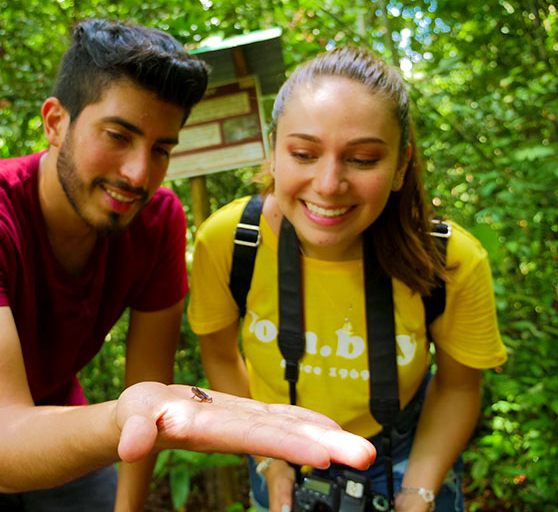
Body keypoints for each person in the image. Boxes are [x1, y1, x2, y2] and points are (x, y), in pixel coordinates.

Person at [0, 19, 376, 512]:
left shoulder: (157, 222)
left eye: (161, 149)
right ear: (55, 123)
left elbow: (147, 394)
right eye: (118, 136)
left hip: (57, 417)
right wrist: (126, 418)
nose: (139, 174)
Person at [188, 46, 507, 512]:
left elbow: (458, 386)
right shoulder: (231, 242)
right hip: (279, 447)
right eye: (303, 153)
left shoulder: (449, 259)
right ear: (273, 152)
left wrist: (418, 493)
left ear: (400, 166)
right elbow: (218, 354)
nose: (329, 183)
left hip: (404, 450)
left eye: (362, 159)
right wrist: (267, 458)